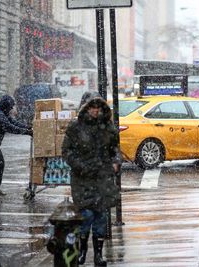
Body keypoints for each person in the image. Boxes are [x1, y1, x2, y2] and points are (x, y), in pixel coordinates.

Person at [62, 93, 121, 266]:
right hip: (82, 179)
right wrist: (81, 166)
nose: (95, 111)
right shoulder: (76, 127)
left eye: (98, 107)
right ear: (85, 108)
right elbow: (67, 151)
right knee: (86, 215)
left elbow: (115, 149)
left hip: (103, 178)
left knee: (101, 216)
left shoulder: (108, 127)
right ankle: (82, 251)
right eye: (92, 107)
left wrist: (116, 163)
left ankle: (98, 254)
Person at [0, 95, 33, 195]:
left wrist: (28, 127)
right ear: (5, 106)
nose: (11, 108)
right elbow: (10, 127)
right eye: (10, 106)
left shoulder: (3, 112)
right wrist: (27, 132)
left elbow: (13, 122)